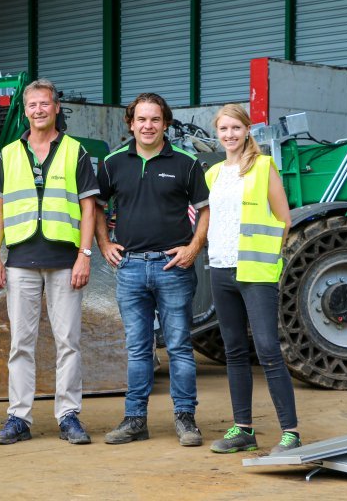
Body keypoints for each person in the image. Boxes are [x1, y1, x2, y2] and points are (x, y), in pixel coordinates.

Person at [0, 79, 98, 445]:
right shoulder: (9, 153)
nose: (39, 110)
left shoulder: (75, 151)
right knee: (21, 343)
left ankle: (68, 415)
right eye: (32, 104)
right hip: (20, 260)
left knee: (68, 342)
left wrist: (84, 255)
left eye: (45, 104)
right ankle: (18, 417)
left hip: (64, 261)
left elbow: (88, 208)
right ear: (25, 110)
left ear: (56, 108)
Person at [95, 93, 209, 447]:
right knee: (138, 349)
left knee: (179, 346)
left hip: (173, 267)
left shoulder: (186, 163)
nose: (148, 126)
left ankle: (186, 419)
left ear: (165, 124)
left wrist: (193, 247)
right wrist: (104, 243)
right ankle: (135, 420)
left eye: (155, 119)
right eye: (141, 119)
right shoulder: (113, 163)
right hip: (130, 267)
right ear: (131, 124)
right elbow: (97, 207)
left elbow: (205, 210)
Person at [205, 104, 301, 455]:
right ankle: (243, 430)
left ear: (247, 130)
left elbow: (284, 219)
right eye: (223, 129)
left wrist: (267, 259)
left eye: (235, 128)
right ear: (217, 133)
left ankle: (291, 433)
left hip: (255, 271)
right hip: (221, 268)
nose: (229, 134)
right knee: (234, 351)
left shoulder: (263, 167)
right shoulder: (213, 173)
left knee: (268, 350)